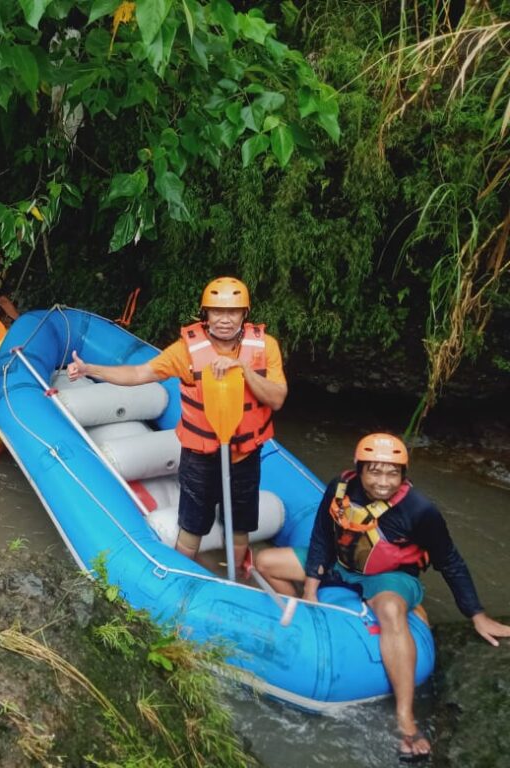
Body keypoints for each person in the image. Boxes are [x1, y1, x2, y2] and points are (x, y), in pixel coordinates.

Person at [255, 433, 510, 763]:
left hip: (390, 577)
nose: (383, 482)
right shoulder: (339, 489)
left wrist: (476, 614)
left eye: (393, 473)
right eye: (375, 471)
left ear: (403, 475)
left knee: (390, 608)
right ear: (360, 470)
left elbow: (449, 561)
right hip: (341, 565)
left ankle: (406, 718)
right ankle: (311, 624)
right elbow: (321, 534)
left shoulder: (420, 510)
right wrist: (311, 587)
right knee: (266, 563)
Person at [66, 276, 287, 568]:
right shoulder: (186, 352)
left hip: (244, 456)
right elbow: (138, 374)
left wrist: (245, 369)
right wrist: (89, 369)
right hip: (200, 456)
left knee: (240, 526)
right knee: (192, 526)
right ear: (205, 314)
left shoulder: (265, 347)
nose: (224, 319)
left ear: (244, 314)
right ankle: (184, 580)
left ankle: (238, 575)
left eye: (232, 311)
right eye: (216, 311)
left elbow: (277, 398)